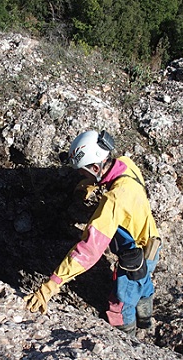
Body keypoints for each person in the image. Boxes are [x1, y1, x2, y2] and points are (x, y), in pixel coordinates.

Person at [24, 130, 161, 336]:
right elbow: (113, 176)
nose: (80, 174)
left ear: (96, 167)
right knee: (144, 283)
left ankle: (130, 341)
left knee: (120, 307)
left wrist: (52, 284)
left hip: (133, 259)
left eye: (82, 172)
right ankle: (146, 320)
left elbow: (88, 250)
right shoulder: (126, 164)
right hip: (151, 246)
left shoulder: (114, 200)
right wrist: (90, 183)